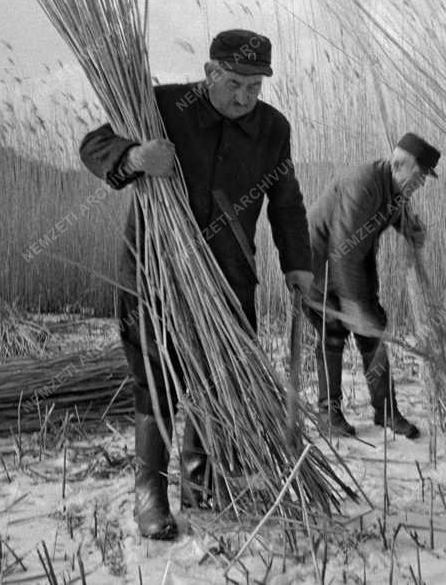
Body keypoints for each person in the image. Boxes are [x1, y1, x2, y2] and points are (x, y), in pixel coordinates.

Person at [79, 29, 313, 540]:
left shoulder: (274, 129)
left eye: (255, 86)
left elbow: (287, 201)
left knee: (219, 380)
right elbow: (93, 145)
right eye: (234, 83)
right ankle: (150, 496)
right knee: (156, 385)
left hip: (229, 280)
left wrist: (298, 263)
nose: (245, 97)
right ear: (209, 74)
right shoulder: (161, 107)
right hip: (155, 276)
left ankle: (202, 485)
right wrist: (135, 157)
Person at [300, 133, 441, 441]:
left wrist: (410, 230)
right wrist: (353, 306)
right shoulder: (362, 184)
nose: (422, 184)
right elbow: (343, 249)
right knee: (333, 331)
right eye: (420, 176)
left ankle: (386, 410)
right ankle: (329, 414)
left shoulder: (394, 185)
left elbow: (393, 214)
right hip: (318, 263)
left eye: (426, 178)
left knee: (373, 330)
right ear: (399, 164)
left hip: (352, 261)